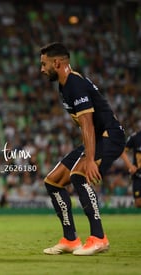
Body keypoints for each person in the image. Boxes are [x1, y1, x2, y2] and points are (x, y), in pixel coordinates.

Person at [39, 42, 125, 256]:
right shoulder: (64, 84)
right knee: (53, 181)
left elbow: (87, 123)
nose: (41, 69)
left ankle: (99, 238)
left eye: (44, 64)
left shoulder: (74, 84)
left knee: (79, 175)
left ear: (57, 63)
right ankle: (70, 239)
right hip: (97, 137)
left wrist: (90, 157)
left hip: (110, 137)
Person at [120, 130, 141, 208]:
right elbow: (122, 150)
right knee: (138, 203)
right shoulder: (135, 137)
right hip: (138, 175)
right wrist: (130, 166)